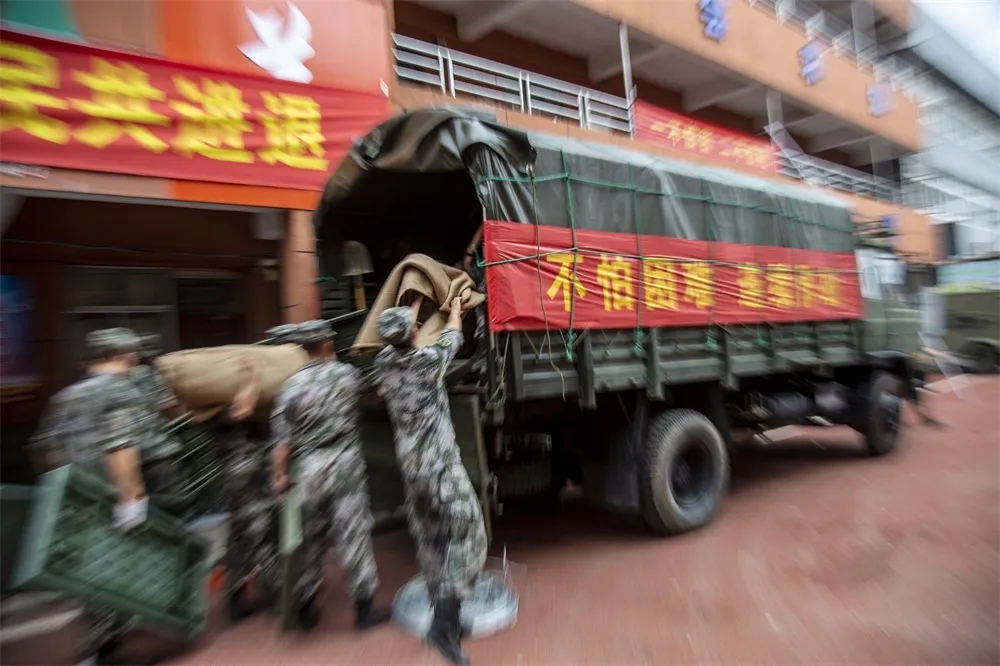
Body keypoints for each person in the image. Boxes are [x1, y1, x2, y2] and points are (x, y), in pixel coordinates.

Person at [374, 298, 488, 666]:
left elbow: (403, 342)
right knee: (470, 536)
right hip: (440, 469)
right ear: (411, 333)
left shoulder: (383, 363)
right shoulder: (428, 361)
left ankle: (446, 616)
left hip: (411, 471)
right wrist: (455, 310)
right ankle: (443, 627)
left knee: (434, 541)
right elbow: (452, 335)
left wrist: (410, 312)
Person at [31, 327, 151, 665]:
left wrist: (64, 488)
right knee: (116, 570)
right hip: (109, 498)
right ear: (127, 356)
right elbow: (121, 448)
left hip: (74, 496)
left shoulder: (65, 396)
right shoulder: (121, 392)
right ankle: (104, 649)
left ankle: (102, 642)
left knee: (89, 571)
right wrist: (131, 497)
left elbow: (46, 450)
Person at [270, 319, 391, 632]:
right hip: (345, 466)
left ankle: (307, 608)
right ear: (326, 344)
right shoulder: (346, 375)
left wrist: (280, 476)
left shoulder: (290, 386)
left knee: (309, 539)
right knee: (354, 535)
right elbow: (375, 396)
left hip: (309, 470)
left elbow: (282, 443)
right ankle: (364, 611)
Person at [197, 355, 278, 622]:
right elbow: (243, 409)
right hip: (244, 472)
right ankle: (278, 592)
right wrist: (252, 374)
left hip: (233, 474)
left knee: (239, 537)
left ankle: (237, 599)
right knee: (260, 531)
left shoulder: (204, 406)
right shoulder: (220, 409)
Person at [130, 333, 191, 518]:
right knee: (172, 506)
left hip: (130, 455)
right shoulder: (150, 374)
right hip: (157, 452)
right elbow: (169, 406)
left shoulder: (119, 377)